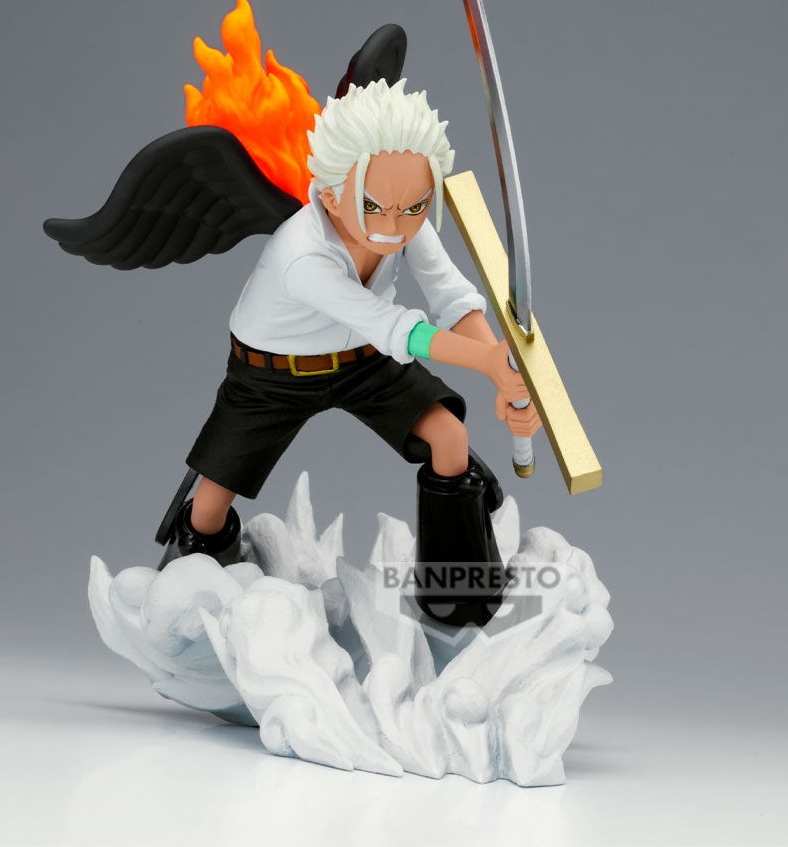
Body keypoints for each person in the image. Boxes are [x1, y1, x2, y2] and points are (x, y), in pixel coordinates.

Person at [163, 77, 541, 626]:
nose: (393, 227)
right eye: (373, 207)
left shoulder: (405, 218)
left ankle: (461, 599)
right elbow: (393, 326)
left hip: (364, 361)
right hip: (273, 375)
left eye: (414, 207)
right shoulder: (301, 255)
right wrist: (485, 361)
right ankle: (195, 603)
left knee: (450, 438)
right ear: (329, 193)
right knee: (210, 505)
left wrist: (502, 371)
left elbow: (451, 296)